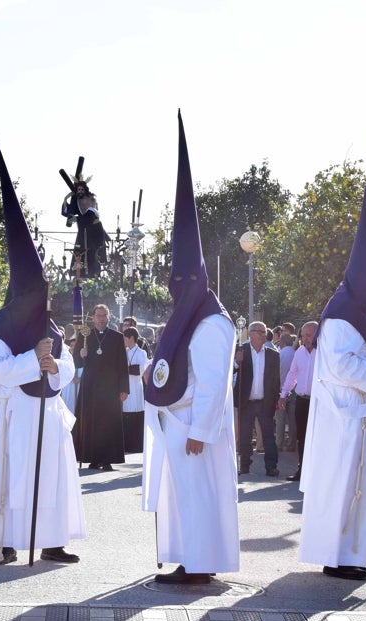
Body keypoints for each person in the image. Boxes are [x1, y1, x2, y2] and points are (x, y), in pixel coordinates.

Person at [298, 123, 366, 580]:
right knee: (343, 488)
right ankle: (337, 556)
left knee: (360, 487)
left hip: (360, 416)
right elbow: (343, 364)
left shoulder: (362, 313)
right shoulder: (342, 314)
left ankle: (357, 555)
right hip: (344, 417)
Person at [142, 113, 238, 585]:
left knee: (197, 495)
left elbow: (214, 381)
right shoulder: (188, 319)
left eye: (184, 280)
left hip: (195, 427)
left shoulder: (211, 323)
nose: (177, 288)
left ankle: (199, 565)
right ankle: (188, 557)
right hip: (178, 421)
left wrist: (201, 428)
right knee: (183, 497)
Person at [0, 138, 85, 565]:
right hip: (17, 415)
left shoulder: (50, 326)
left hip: (50, 411)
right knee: (16, 478)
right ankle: (8, 541)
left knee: (53, 478)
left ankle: (52, 540)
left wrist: (53, 363)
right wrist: (31, 360)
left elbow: (69, 369)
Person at [73, 303, 129, 471]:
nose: (101, 319)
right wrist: (80, 355)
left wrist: (124, 388)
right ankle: (91, 457)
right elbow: (75, 360)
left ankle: (107, 459)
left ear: (109, 317)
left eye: (104, 316)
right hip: (90, 385)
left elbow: (122, 364)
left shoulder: (117, 337)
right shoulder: (85, 335)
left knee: (108, 422)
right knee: (90, 422)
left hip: (110, 387)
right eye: (98, 316)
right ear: (93, 317)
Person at [234, 320, 281, 477]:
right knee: (244, 436)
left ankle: (271, 466)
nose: (264, 334)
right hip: (246, 402)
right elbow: (231, 373)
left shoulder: (273, 355)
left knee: (268, 435)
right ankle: (245, 465)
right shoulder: (242, 351)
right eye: (260, 331)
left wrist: (276, 400)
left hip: (264, 402)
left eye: (264, 331)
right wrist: (236, 362)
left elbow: (275, 380)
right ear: (251, 333)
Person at [281, 320, 317, 481]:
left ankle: (318, 474)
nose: (304, 338)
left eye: (308, 335)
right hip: (302, 401)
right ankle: (302, 471)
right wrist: (283, 394)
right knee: (302, 437)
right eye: (303, 335)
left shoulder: (325, 352)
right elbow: (292, 374)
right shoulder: (299, 352)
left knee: (319, 438)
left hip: (319, 402)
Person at [122, 326, 147, 454]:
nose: (124, 340)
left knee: (135, 414)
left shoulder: (141, 353)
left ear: (131, 338)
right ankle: (126, 444)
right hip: (125, 387)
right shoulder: (124, 352)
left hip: (136, 387)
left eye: (125, 338)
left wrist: (125, 369)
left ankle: (136, 445)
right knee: (125, 414)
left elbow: (140, 370)